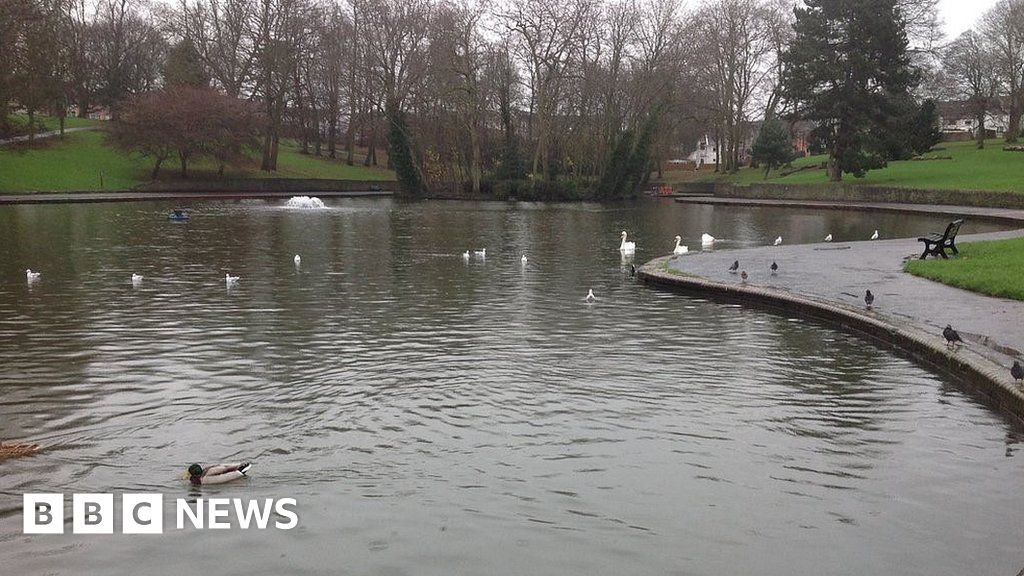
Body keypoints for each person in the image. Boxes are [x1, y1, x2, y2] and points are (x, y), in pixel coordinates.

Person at [187, 462, 251, 486]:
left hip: (234, 471)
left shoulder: (205, 479)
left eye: (190, 472)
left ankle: (240, 471)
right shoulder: (204, 472)